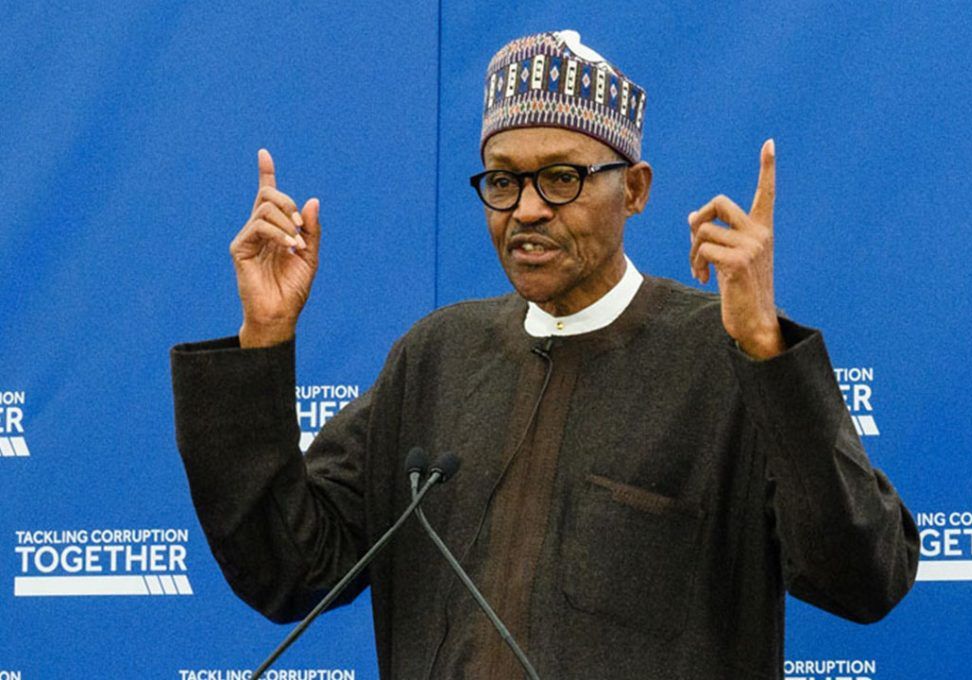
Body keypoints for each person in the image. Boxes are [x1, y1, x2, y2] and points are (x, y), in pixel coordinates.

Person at [172, 30, 919, 679]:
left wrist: (766, 352)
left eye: (562, 178)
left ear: (635, 190)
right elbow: (288, 568)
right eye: (503, 180)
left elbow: (863, 578)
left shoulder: (726, 362)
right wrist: (263, 339)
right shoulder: (434, 357)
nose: (527, 209)